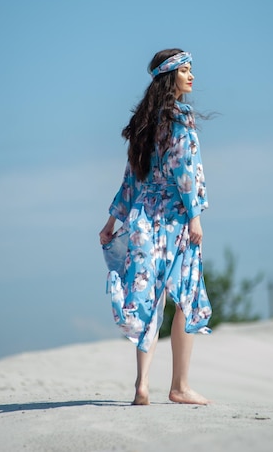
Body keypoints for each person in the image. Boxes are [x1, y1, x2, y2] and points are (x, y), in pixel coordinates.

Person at [99, 48, 212, 406]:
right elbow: (183, 169)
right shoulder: (180, 117)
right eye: (185, 70)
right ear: (170, 77)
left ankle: (142, 385)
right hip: (176, 217)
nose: (191, 76)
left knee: (150, 298)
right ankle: (179, 386)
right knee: (185, 297)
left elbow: (131, 178)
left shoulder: (144, 123)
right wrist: (194, 215)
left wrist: (112, 220)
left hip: (144, 217)